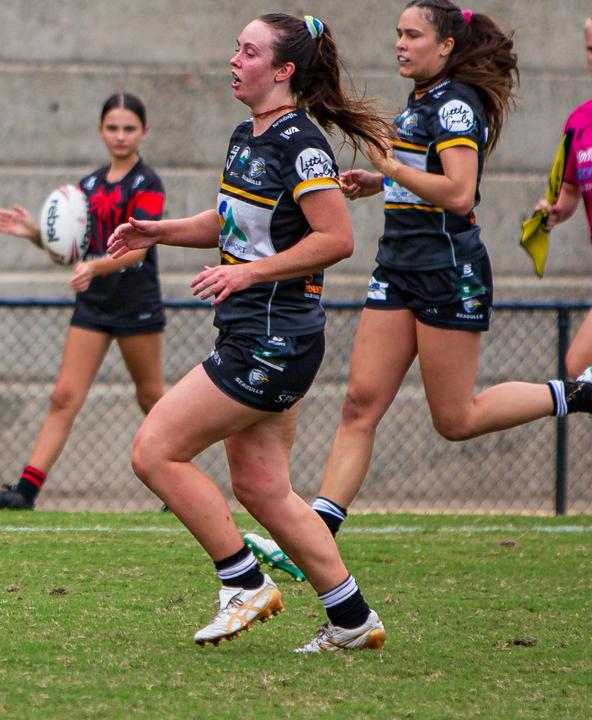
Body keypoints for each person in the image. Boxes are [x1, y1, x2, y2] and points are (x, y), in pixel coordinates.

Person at [245, 2, 592, 576]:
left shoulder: (456, 104)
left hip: (445, 270)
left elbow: (459, 192)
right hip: (399, 264)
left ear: (447, 46)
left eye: (412, 35)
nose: (400, 44)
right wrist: (377, 180)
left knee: (455, 419)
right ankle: (312, 537)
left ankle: (577, 394)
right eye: (397, 34)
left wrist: (391, 166)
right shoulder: (424, 98)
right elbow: (420, 170)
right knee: (359, 404)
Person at [108, 14, 391, 652]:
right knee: (263, 487)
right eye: (236, 46)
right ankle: (352, 619)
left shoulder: (301, 143)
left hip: (274, 337)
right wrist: (160, 230)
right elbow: (234, 223)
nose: (234, 58)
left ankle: (242, 582)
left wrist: (250, 275)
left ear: (284, 70)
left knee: (154, 451)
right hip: (256, 330)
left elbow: (337, 240)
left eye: (249, 50)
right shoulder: (248, 134)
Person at [0, 93, 167, 510]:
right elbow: (70, 251)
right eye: (113, 128)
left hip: (136, 303)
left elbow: (139, 248)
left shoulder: (147, 183)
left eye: (129, 128)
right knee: (64, 396)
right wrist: (33, 233)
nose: (120, 136)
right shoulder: (87, 187)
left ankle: (177, 482)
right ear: (101, 131)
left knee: (151, 398)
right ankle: (25, 491)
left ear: (144, 132)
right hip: (94, 304)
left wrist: (95, 268)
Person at [533, 16, 592, 379]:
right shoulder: (579, 121)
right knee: (576, 369)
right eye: (590, 49)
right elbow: (570, 188)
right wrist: (555, 210)